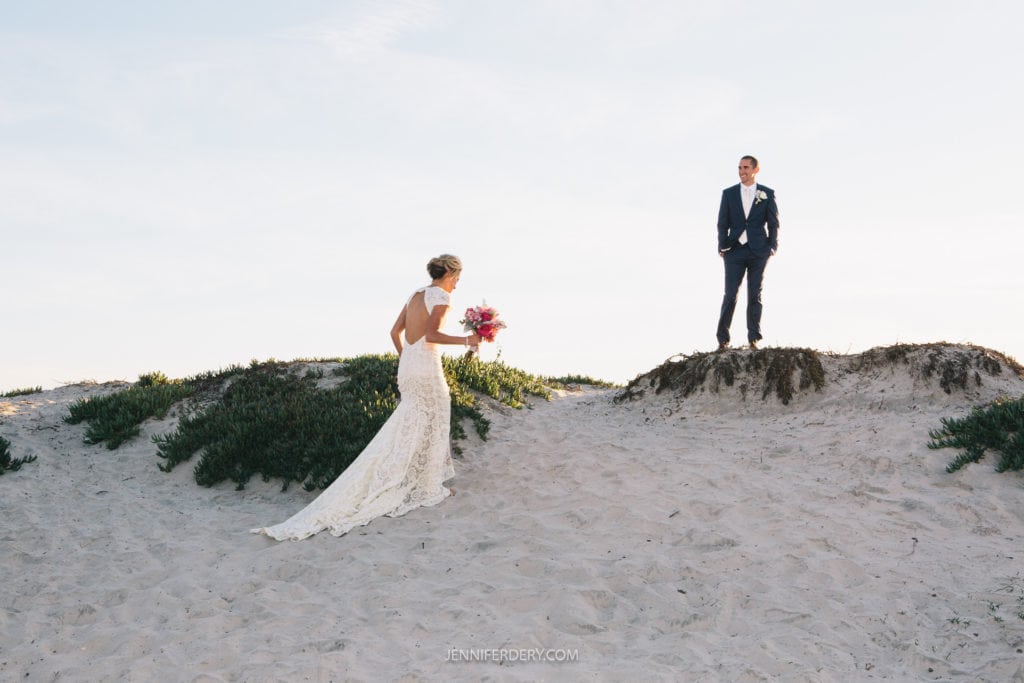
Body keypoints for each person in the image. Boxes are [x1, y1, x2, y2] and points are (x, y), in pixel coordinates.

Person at [252, 254, 481, 540]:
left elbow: (394, 332)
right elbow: (433, 335)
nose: (457, 286)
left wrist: (407, 357)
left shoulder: (415, 295)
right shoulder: (442, 297)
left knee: (410, 421)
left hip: (408, 367)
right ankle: (427, 486)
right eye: (457, 279)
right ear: (449, 274)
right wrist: (467, 341)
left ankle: (415, 480)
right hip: (425, 368)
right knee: (435, 419)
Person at [715, 155, 780, 350]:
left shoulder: (767, 193)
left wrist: (772, 247)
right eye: (739, 168)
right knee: (730, 294)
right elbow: (722, 223)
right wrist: (722, 246)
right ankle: (722, 339)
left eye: (745, 167)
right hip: (734, 250)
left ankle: (753, 338)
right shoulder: (729, 193)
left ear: (755, 170)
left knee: (755, 294)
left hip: (758, 251)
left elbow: (774, 223)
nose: (741, 171)